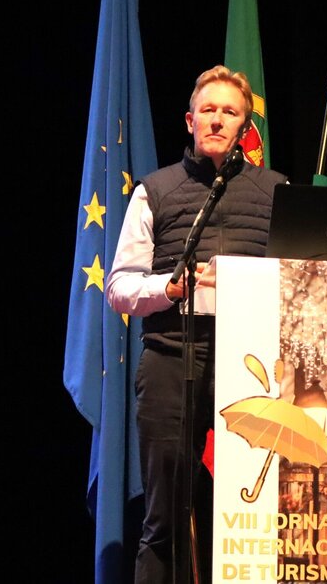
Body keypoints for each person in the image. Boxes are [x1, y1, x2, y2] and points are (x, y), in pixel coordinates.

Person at [106, 65, 288, 584]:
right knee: (163, 518)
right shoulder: (156, 190)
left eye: (229, 112)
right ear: (190, 121)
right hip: (171, 357)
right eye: (207, 110)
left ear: (244, 128)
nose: (216, 120)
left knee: (250, 516)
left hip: (251, 366)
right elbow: (119, 287)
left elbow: (298, 279)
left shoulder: (277, 190)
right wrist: (170, 288)